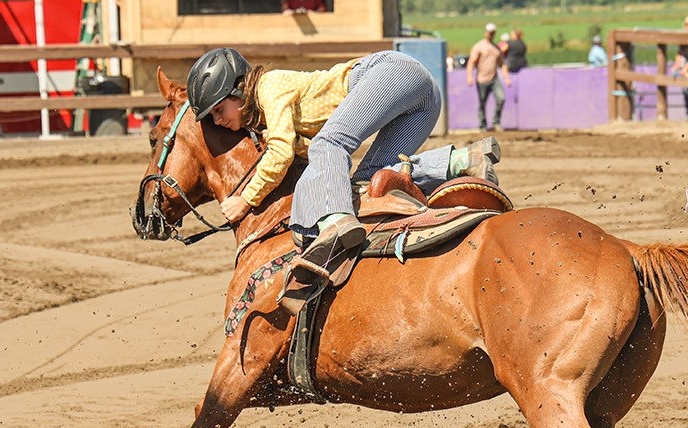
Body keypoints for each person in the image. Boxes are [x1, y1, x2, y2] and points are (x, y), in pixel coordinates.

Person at [186, 48, 499, 305]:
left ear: (239, 90)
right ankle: (459, 161)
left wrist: (245, 199)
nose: (218, 120)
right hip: (423, 97)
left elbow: (286, 154)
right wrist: (294, 144)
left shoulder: (269, 86)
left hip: (392, 71)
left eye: (218, 109)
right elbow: (313, 156)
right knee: (369, 182)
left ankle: (335, 224)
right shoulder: (267, 108)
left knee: (330, 144)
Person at [466, 23, 511, 131]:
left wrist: (506, 77)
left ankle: (496, 122)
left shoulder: (496, 48)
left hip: (494, 79)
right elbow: (471, 62)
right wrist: (470, 76)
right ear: (486, 33)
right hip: (482, 80)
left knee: (501, 98)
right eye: (489, 33)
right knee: (482, 102)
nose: (491, 35)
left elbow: (502, 64)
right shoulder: (479, 47)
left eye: (493, 33)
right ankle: (482, 125)